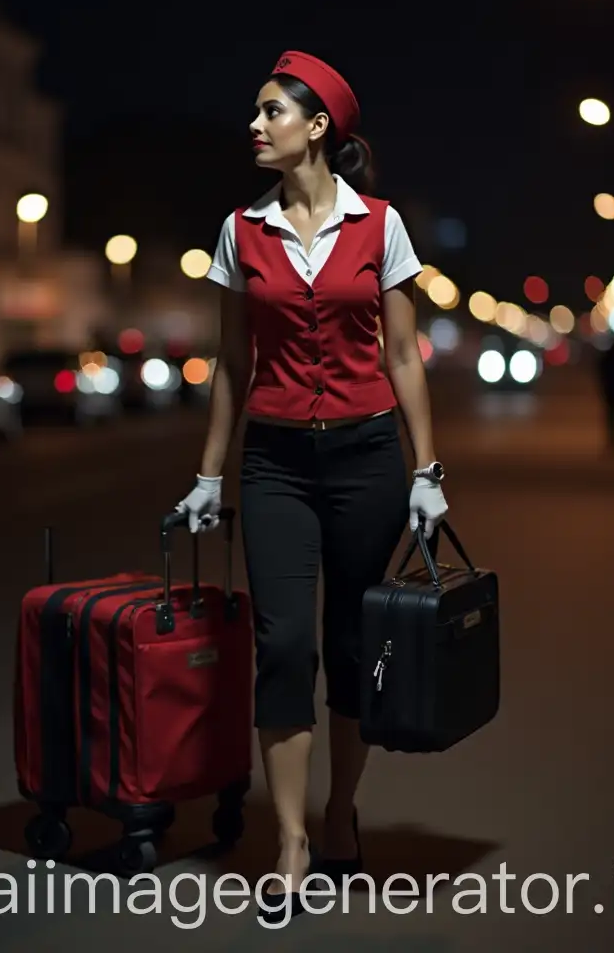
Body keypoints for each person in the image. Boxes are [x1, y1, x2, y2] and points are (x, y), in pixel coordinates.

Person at [174, 50, 449, 921]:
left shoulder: (381, 225)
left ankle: (339, 812)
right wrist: (208, 474)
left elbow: (403, 354)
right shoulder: (239, 231)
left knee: (354, 644)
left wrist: (426, 472)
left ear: (317, 126)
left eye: (270, 112)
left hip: (368, 457)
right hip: (277, 462)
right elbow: (231, 364)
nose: (254, 127)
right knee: (285, 641)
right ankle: (290, 838)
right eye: (255, 114)